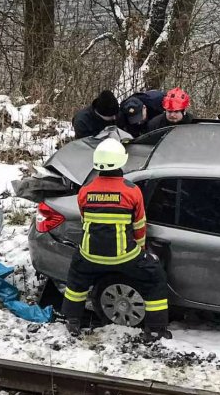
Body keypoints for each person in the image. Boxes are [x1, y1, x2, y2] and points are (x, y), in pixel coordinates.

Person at [61, 138, 171, 341]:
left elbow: (87, 221)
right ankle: (156, 328)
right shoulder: (131, 191)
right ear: (122, 162)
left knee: (76, 279)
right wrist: (140, 251)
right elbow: (139, 226)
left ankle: (72, 320)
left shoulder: (85, 191)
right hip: (124, 255)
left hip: (89, 254)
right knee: (154, 277)